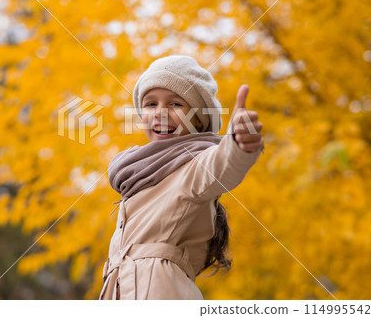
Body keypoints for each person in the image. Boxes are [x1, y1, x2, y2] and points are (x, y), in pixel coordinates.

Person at [99, 55, 264, 299]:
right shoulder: (139, 175)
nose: (160, 113)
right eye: (151, 104)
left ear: (198, 117)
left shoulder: (193, 167)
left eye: (175, 104)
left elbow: (222, 165)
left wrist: (239, 143)